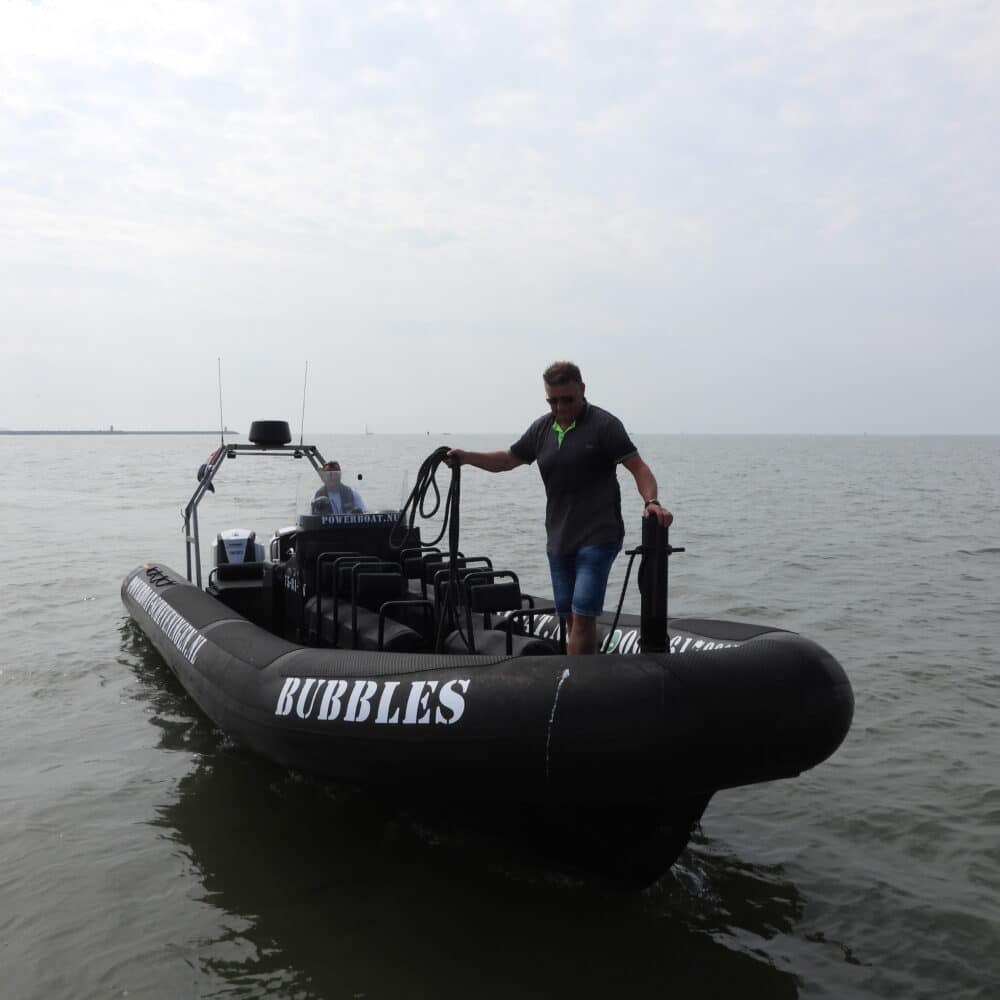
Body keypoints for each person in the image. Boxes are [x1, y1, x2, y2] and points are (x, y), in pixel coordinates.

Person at [446, 360, 672, 655]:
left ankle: (575, 680)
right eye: (553, 401)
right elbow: (506, 460)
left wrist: (651, 502)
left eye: (567, 399)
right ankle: (584, 671)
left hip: (599, 536)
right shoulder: (542, 429)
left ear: (582, 390)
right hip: (559, 539)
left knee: (583, 616)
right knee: (569, 618)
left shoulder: (605, 425)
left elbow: (639, 468)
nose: (560, 407)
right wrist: (465, 457)